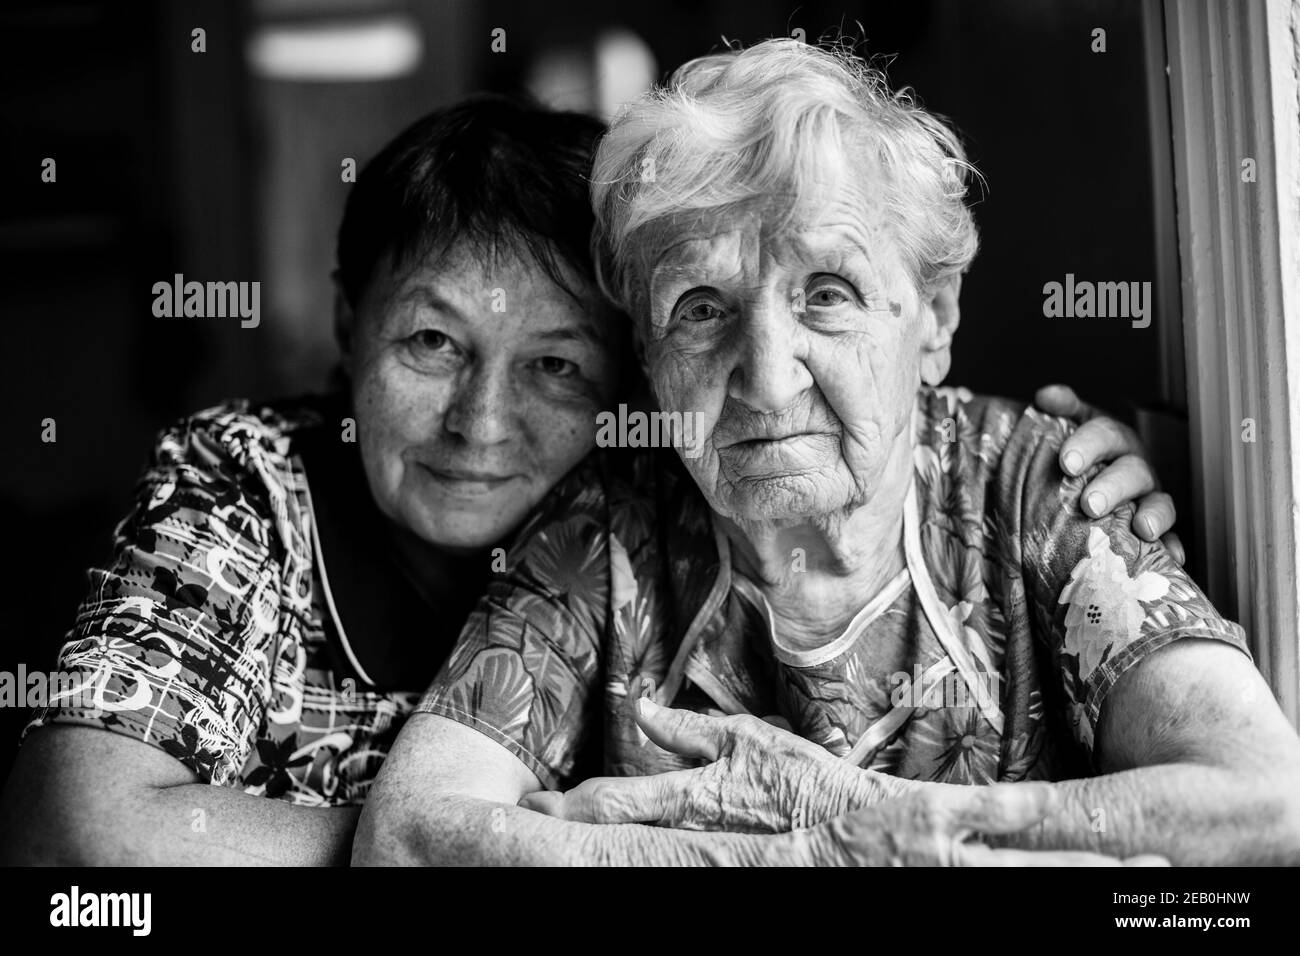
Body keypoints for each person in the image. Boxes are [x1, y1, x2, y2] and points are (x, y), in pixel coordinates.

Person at [354, 41, 1300, 866]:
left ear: (932, 321)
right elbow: (408, 836)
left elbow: (1265, 805)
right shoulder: (606, 530)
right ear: (647, 357)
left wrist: (873, 822)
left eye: (828, 293)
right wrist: (797, 859)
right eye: (701, 308)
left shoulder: (1037, 489)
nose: (766, 378)